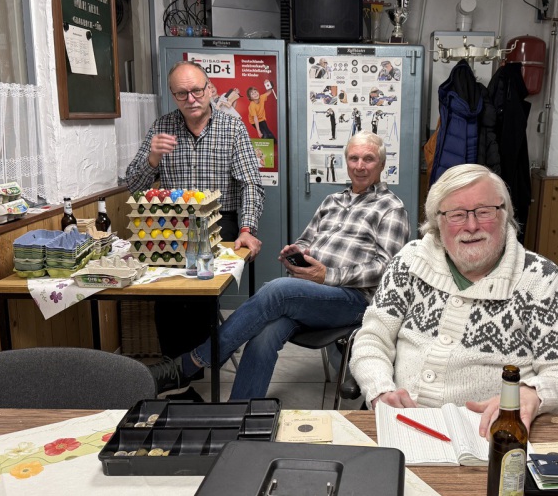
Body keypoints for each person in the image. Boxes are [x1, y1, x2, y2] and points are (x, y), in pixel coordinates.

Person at [149, 131, 410, 401]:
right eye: (354, 158)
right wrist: (297, 253)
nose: (360, 165)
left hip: (354, 300)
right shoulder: (333, 201)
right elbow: (307, 239)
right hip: (311, 292)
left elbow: (387, 269)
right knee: (265, 333)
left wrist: (328, 275)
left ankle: (191, 363)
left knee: (278, 290)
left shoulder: (391, 208)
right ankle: (240, 411)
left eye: (368, 159)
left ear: (381, 164)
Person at [349, 164, 558, 436]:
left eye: (484, 212)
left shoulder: (542, 280)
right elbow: (372, 339)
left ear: (505, 214)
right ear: (437, 222)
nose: (472, 226)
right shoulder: (409, 262)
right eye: (457, 215)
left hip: (489, 435)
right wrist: (380, 389)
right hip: (403, 425)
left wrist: (534, 394)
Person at [126, 61, 265, 367]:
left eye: (196, 91)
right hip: (172, 223)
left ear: (209, 89)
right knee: (167, 294)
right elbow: (134, 187)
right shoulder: (161, 127)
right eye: (182, 93)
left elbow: (250, 184)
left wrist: (247, 229)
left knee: (200, 288)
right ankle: (176, 372)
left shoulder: (232, 127)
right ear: (173, 95)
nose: (191, 99)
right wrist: (152, 158)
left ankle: (194, 366)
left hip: (219, 221)